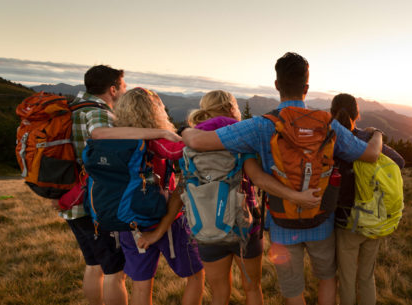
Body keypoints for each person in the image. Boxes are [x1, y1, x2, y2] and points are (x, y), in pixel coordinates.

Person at [181, 52, 383, 305]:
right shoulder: (327, 123)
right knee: (327, 279)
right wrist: (377, 134)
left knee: (292, 290)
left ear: (277, 85)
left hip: (282, 223)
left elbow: (198, 141)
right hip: (321, 218)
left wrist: (185, 129)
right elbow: (371, 154)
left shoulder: (262, 125)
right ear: (306, 88)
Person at [186, 89, 322, 305]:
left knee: (219, 292)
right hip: (244, 222)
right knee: (252, 288)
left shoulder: (192, 141)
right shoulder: (238, 137)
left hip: (206, 224)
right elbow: (257, 178)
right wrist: (295, 196)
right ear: (231, 109)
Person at [65, 65, 180, 305]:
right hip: (100, 201)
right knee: (113, 271)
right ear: (113, 88)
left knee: (94, 264)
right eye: (123, 86)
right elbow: (99, 135)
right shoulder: (98, 113)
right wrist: (159, 131)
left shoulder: (73, 108)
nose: (124, 91)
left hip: (74, 200)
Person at [109, 87, 205, 305]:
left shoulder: (116, 138)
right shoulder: (155, 139)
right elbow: (182, 151)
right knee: (195, 275)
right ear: (153, 111)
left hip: (128, 221)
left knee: (141, 285)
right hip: (164, 218)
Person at [330, 93, 405, 305]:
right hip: (373, 218)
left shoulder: (330, 140)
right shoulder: (367, 139)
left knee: (346, 278)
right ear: (358, 115)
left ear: (331, 114)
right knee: (366, 277)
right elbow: (398, 161)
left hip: (345, 221)